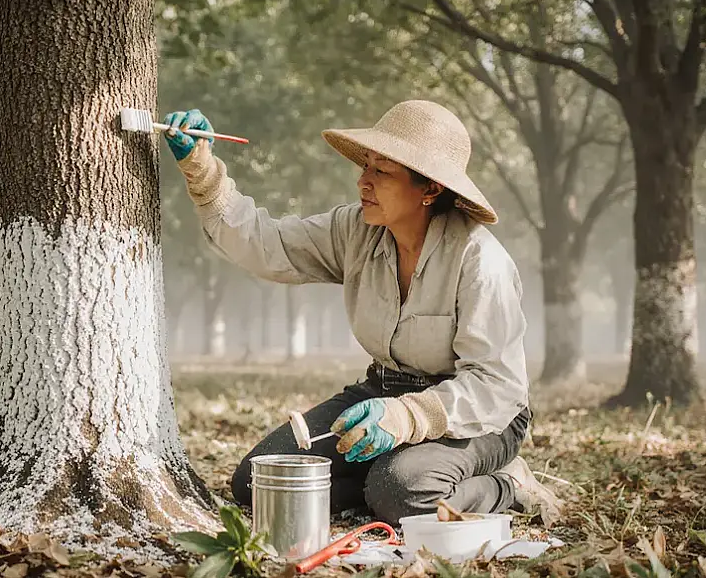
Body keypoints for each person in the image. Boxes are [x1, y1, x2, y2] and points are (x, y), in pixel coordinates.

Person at [161, 100, 562, 526]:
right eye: (365, 166)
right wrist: (201, 168)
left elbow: (496, 385)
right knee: (263, 481)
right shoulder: (355, 230)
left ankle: (507, 484)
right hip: (383, 394)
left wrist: (407, 417)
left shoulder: (480, 261)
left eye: (381, 172)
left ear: (430, 189)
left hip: (481, 418)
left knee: (402, 491)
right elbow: (268, 244)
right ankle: (392, 477)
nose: (362, 182)